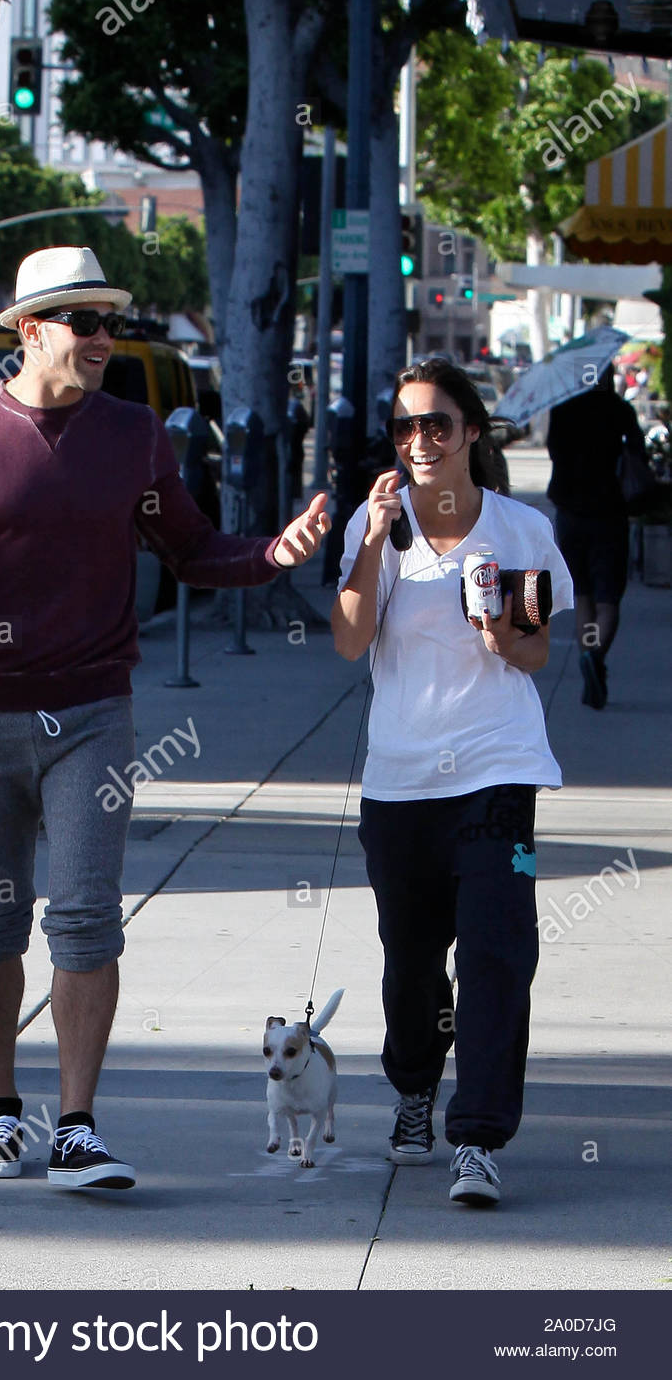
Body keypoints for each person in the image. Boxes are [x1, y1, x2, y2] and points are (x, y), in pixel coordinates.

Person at [0, 246, 330, 1192]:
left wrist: (273, 555)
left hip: (91, 711)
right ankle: (0, 1116)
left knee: (85, 919)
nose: (102, 340)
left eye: (111, 324)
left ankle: (75, 1125)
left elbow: (194, 550)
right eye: (83, 322)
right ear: (29, 329)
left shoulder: (133, 434)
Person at [331, 359, 572, 1207]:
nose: (420, 441)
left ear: (472, 431)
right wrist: (368, 542)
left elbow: (537, 650)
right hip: (400, 780)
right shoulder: (382, 524)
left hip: (496, 770)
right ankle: (413, 1089)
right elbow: (350, 642)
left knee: (500, 950)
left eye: (437, 424)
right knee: (412, 964)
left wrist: (501, 633)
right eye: (404, 428)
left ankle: (478, 1136)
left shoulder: (518, 532)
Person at [546, 367, 646, 709]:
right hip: (609, 514)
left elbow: (555, 453)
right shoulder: (619, 409)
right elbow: (638, 455)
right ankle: (596, 656)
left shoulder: (563, 408)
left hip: (571, 514)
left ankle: (589, 652)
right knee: (608, 600)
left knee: (583, 594)